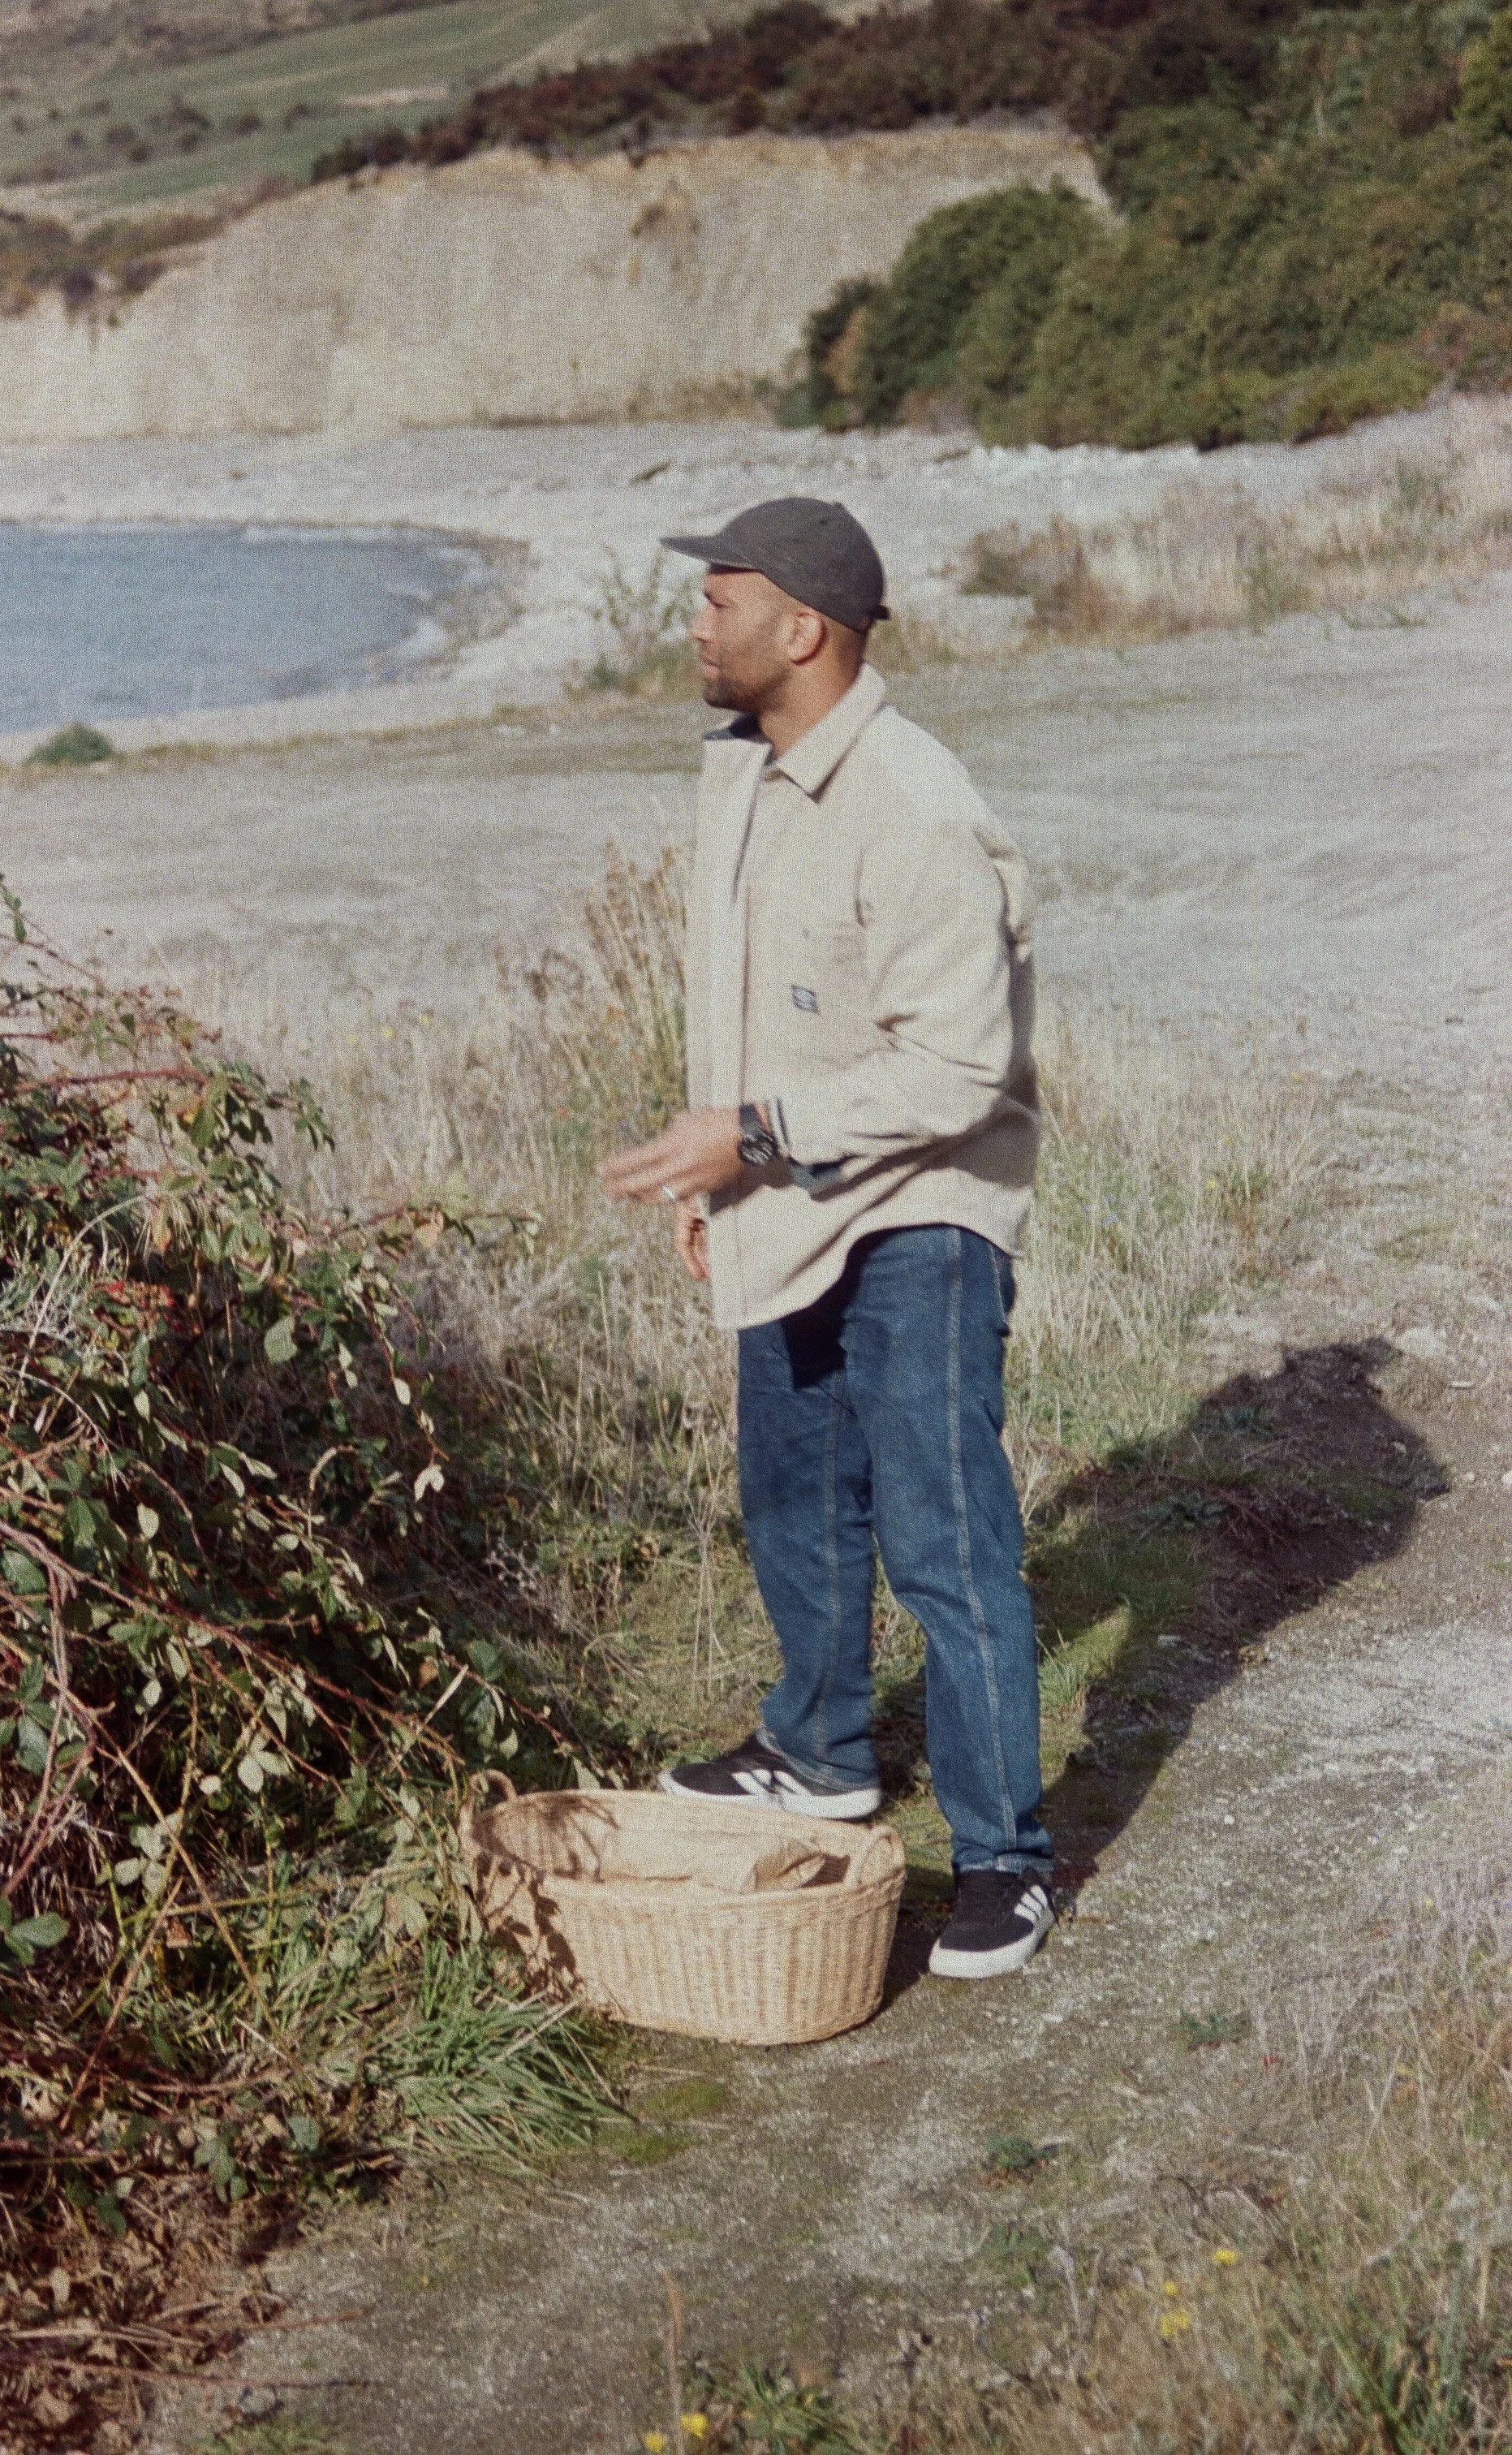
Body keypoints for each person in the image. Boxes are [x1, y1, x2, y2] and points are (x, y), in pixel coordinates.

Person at [600, 497, 1053, 1981]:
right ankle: (821, 1750)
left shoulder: (916, 802)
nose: (694, 622)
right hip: (788, 1184)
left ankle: (1005, 1861)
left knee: (942, 1530)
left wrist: (756, 1138)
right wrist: (711, 1176)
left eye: (717, 598)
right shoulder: (741, 771)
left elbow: (960, 1071)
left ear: (804, 629)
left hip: (924, 1198)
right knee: (791, 1488)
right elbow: (727, 988)